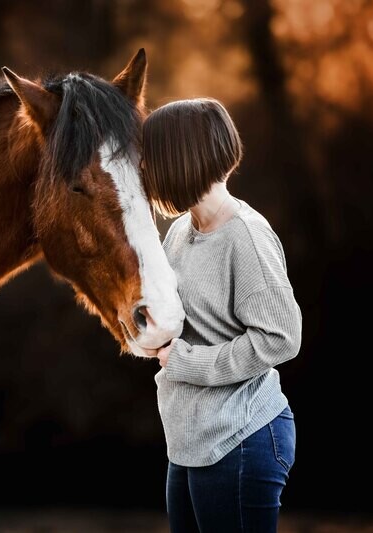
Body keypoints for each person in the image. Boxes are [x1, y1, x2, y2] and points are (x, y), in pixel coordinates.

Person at [139, 97, 302, 533]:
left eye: (149, 161)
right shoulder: (178, 233)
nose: (144, 175)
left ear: (179, 162)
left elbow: (282, 337)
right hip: (189, 442)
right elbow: (180, 323)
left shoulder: (244, 237)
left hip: (242, 438)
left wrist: (190, 362)